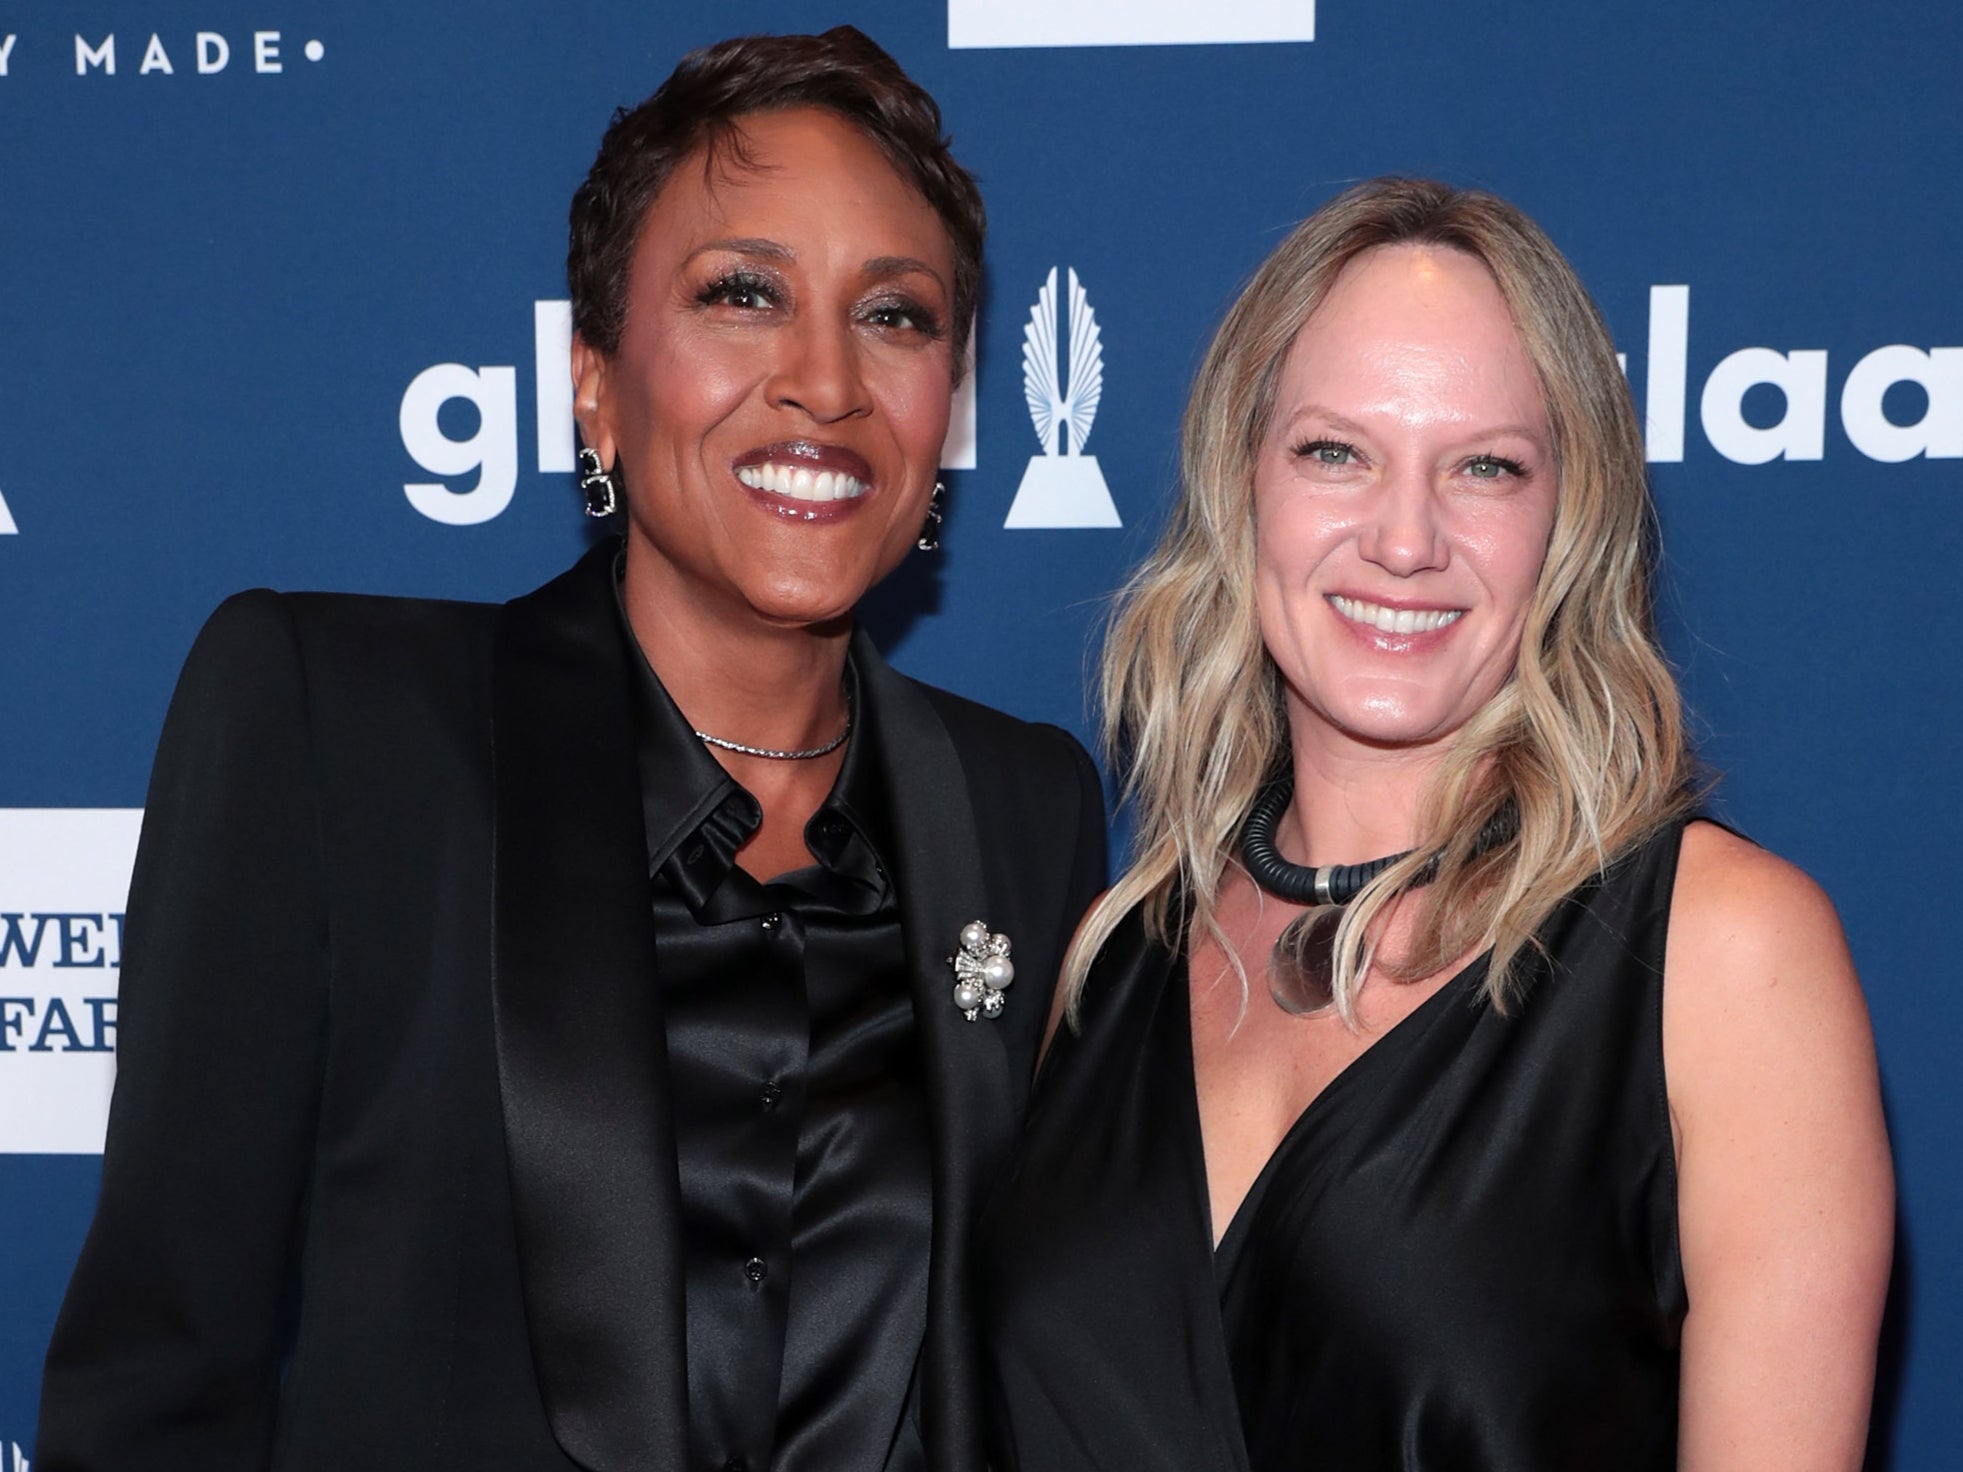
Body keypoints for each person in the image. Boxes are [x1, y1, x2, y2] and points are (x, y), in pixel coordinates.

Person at [38, 28, 1105, 1471]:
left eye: (896, 318)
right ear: (593, 381)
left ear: (949, 408)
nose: (825, 383)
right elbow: (157, 1393)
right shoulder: (332, 730)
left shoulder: (1023, 810)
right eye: (744, 294)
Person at [977, 178, 1892, 1471]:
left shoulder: (1720, 955)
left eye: (1485, 468)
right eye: (1335, 452)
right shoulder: (1108, 964)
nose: (1405, 539)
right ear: (1242, 486)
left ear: (1569, 523)